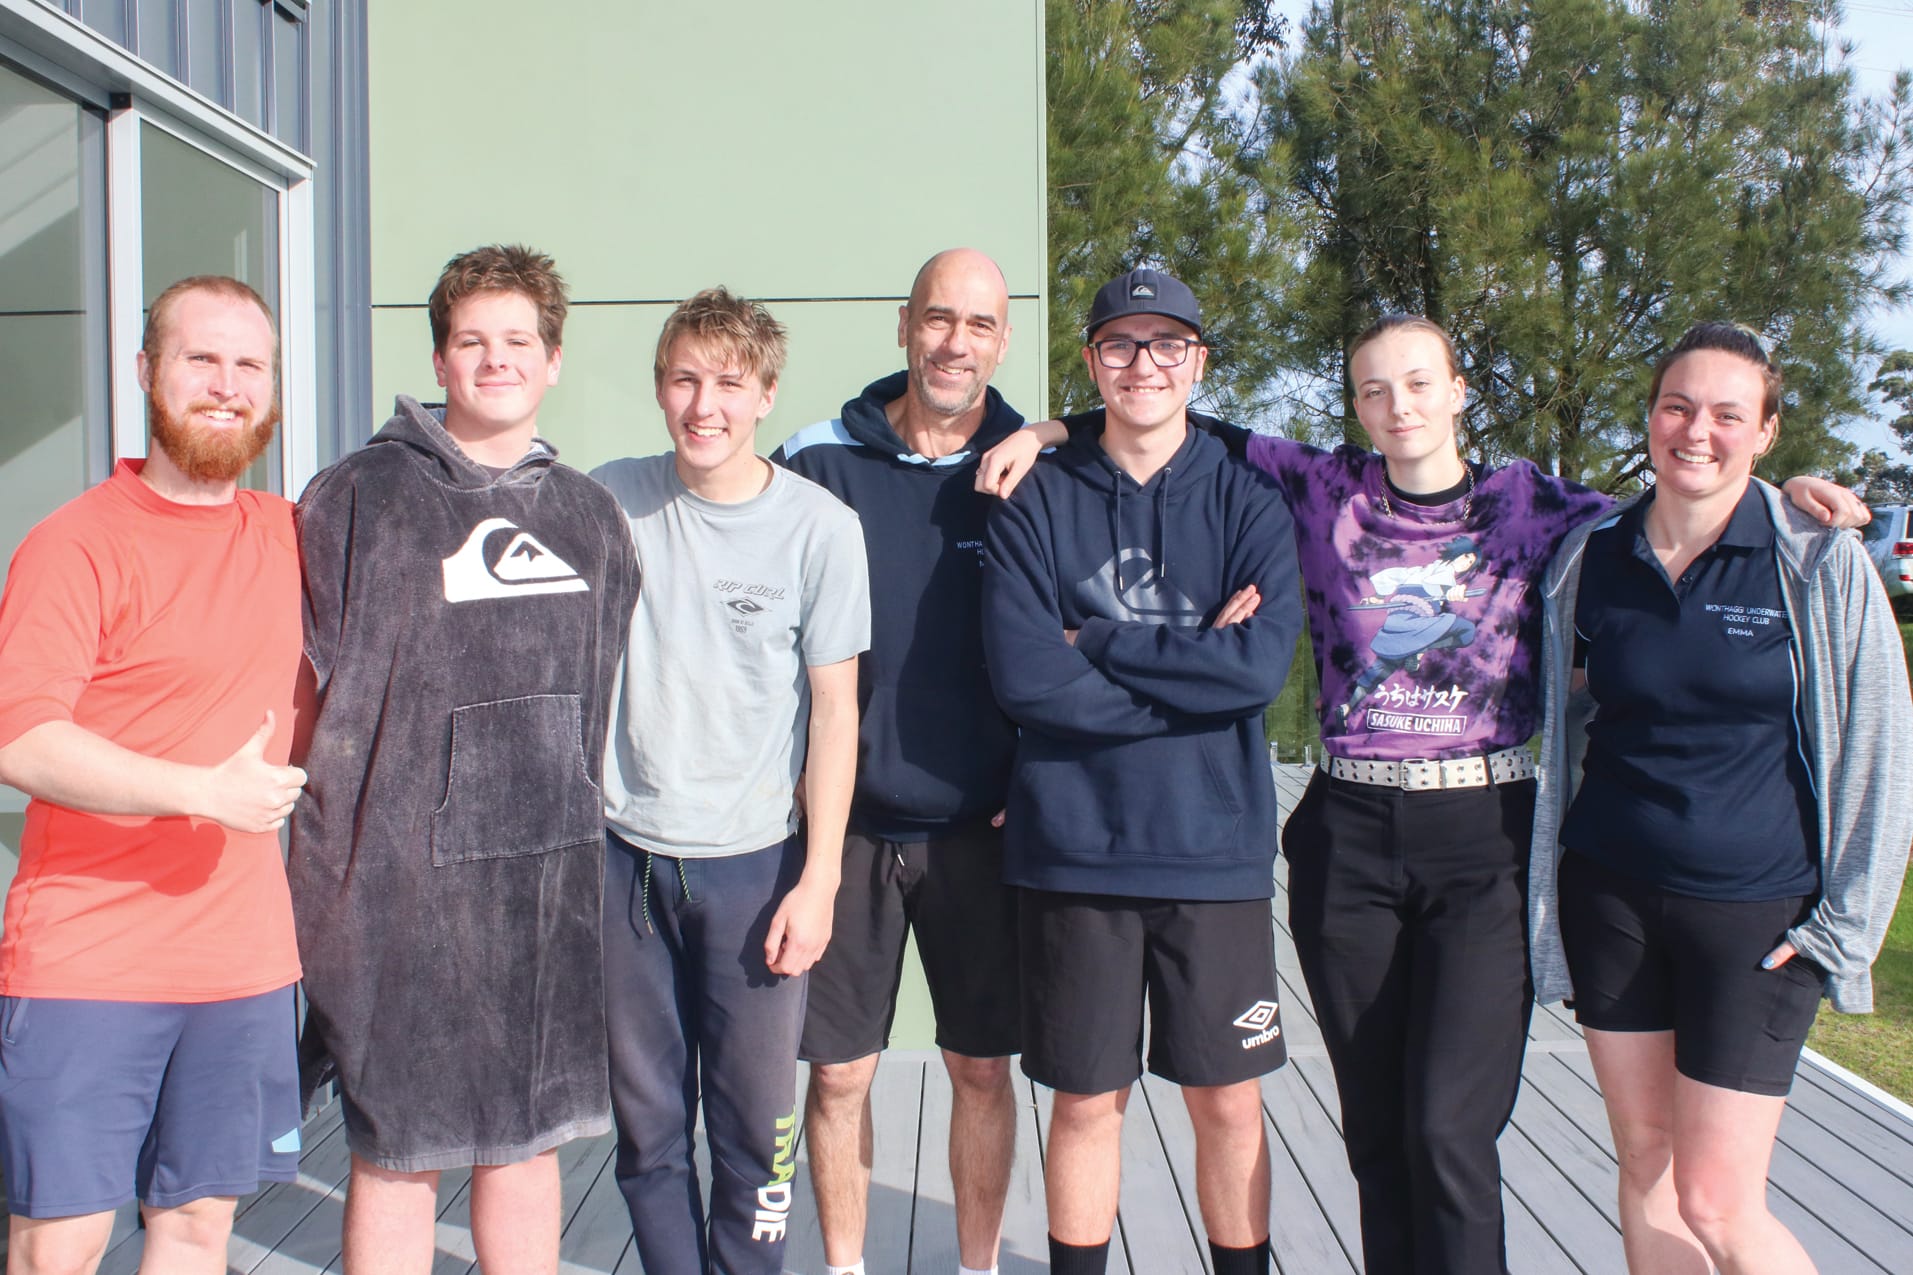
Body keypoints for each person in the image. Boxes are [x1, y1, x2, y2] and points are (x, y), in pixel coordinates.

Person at [978, 313, 1867, 1275]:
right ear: (1355, 408)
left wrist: (1789, 496)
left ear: (1457, 392)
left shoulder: (1535, 506)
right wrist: (1043, 431)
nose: (1396, 405)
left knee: (1447, 1130)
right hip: (1348, 831)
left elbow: (1688, 493)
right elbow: (1166, 415)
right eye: (1372, 389)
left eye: (1416, 383)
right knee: (1373, 1134)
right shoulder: (1320, 490)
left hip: (1482, 834)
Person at [1530, 322, 1912, 1275]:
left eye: (1726, 414)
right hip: (1611, 897)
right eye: (1676, 406)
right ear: (1650, 417)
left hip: (1757, 920)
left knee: (1716, 1199)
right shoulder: (1590, 556)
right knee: (1647, 1167)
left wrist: (1844, 928)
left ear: (1766, 434)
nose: (1696, 431)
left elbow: (1880, 752)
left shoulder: (1816, 560)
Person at [291, 245, 639, 1274]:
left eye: (517, 341)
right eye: (472, 341)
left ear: (554, 360)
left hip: (544, 887)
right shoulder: (356, 497)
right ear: (439, 360)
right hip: (390, 893)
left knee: (525, 1151)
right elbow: (298, 696)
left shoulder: (588, 517)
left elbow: (604, 696)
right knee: (400, 1155)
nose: (496, 360)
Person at [981, 268, 1303, 1275]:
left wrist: (1102, 641)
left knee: (1227, 1100)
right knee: (1086, 1101)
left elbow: (1254, 671)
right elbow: (1026, 678)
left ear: (1197, 361)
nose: (1143, 363)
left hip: (1213, 850)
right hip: (1075, 847)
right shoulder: (1034, 495)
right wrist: (1186, 663)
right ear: (1091, 362)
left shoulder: (1248, 501)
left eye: (1167, 343)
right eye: (1120, 343)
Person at [0, 276, 305, 1274]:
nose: (226, 384)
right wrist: (199, 791)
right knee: (61, 1242)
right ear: (146, 373)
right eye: (199, 359)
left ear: (271, 389)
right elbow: (21, 738)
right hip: (91, 958)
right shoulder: (76, 543)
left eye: (248, 364)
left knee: (198, 1228)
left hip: (243, 961)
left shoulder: (289, 536)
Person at [594, 286, 868, 1275]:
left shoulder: (819, 529)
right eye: (682, 379)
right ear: (658, 387)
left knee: (758, 1136)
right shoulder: (607, 499)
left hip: (754, 874)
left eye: (727, 383)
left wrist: (820, 876)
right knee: (648, 1134)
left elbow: (835, 714)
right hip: (623, 866)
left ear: (764, 395)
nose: (702, 405)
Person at [771, 248, 1024, 1275]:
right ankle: (843, 1267)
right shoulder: (817, 458)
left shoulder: (1034, 462)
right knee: (836, 1078)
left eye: (976, 324)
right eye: (935, 318)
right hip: (845, 828)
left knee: (977, 1070)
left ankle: (974, 1267)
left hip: (980, 830)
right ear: (903, 326)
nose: (952, 341)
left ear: (1001, 340)